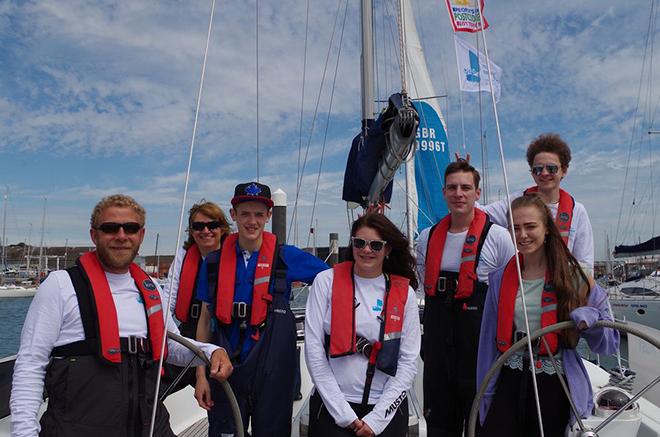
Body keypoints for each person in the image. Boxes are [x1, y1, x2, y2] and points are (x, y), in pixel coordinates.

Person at [10, 194, 233, 437]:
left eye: (130, 228)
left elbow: (171, 345)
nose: (121, 235)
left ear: (141, 235)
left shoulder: (151, 288)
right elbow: (31, 364)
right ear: (94, 235)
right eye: (109, 228)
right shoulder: (60, 286)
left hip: (150, 427)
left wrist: (211, 352)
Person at [476, 194, 619, 436]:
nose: (522, 235)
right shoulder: (500, 279)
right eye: (516, 228)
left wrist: (592, 320)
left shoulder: (575, 278)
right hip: (509, 379)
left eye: (530, 226)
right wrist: (484, 394)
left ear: (547, 230)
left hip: (554, 382)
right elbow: (487, 342)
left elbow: (609, 344)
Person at [195, 181, 328, 437]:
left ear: (269, 216)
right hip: (225, 369)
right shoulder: (213, 263)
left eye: (258, 214)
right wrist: (200, 376)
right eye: (245, 213)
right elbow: (204, 320)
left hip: (273, 371)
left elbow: (332, 281)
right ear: (233, 215)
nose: (251, 221)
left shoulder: (286, 257)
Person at [416, 159, 515, 436]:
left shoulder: (497, 238)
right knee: (439, 422)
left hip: (477, 344)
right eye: (452, 188)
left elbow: (510, 289)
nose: (459, 193)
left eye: (465, 187)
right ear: (444, 193)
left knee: (479, 420)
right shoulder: (427, 237)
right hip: (438, 343)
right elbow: (422, 282)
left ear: (477, 194)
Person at [305, 213, 421, 437]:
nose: (367, 250)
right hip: (333, 408)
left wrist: (377, 420)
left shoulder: (404, 294)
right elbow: (314, 351)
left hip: (385, 411)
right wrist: (343, 414)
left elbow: (408, 362)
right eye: (360, 243)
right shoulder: (325, 282)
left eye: (376, 245)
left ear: (387, 250)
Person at [480, 133, 594, 272]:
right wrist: (465, 175)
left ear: (563, 170)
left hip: (561, 286)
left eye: (551, 168)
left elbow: (585, 263)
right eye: (538, 169)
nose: (544, 173)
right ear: (532, 173)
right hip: (525, 282)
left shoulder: (577, 211)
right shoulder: (516, 202)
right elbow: (476, 213)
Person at [161, 201, 231, 392]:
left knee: (219, 395)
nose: (205, 230)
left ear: (223, 228)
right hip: (187, 335)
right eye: (198, 226)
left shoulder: (233, 257)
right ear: (191, 231)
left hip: (222, 336)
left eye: (212, 225)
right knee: (156, 385)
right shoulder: (184, 256)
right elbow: (168, 297)